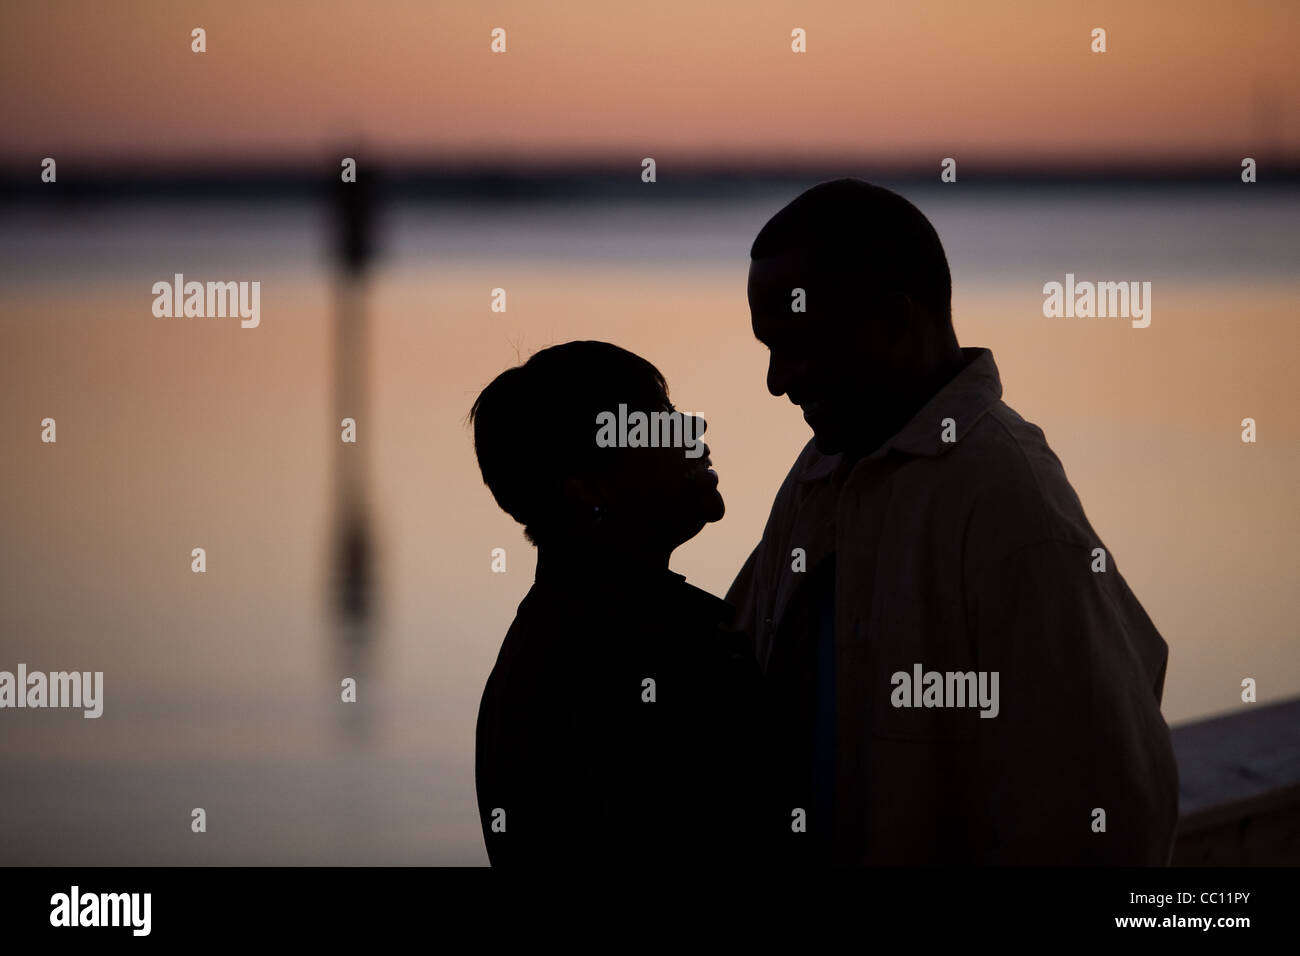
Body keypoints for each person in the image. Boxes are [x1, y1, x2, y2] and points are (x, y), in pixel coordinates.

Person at [727, 178, 1180, 865]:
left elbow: (1108, 806)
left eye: (801, 346)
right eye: (769, 348)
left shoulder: (1009, 501)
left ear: (894, 323)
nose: (776, 381)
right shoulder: (822, 471)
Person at [470, 340, 768, 866]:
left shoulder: (556, 643)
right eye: (653, 423)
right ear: (585, 487)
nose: (690, 431)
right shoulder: (640, 655)